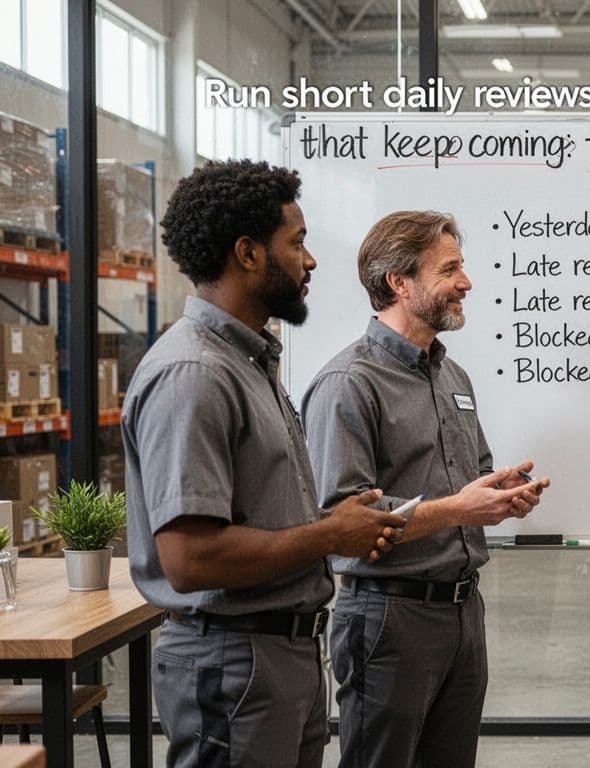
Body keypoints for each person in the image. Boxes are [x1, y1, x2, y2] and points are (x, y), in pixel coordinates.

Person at [121, 159, 407, 768]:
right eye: (296, 242)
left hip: (280, 659)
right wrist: (332, 533)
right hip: (233, 664)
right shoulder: (195, 374)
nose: (309, 261)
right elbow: (190, 559)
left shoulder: (249, 363)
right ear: (248, 253)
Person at [303, 210, 550, 768]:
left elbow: (470, 479)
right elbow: (341, 523)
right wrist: (460, 508)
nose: (467, 282)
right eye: (450, 269)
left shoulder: (452, 377)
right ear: (399, 281)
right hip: (389, 620)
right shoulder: (348, 384)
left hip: (463, 615)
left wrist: (498, 495)